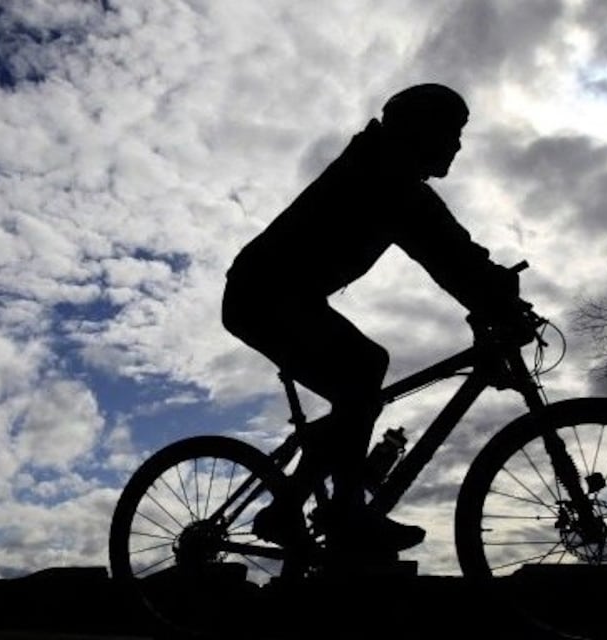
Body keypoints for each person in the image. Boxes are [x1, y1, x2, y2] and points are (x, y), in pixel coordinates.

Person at [221, 84, 520, 560]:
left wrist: (490, 296)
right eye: (453, 132)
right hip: (261, 294)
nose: (458, 145)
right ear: (421, 129)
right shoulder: (384, 173)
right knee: (363, 368)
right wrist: (495, 298)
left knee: (356, 398)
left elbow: (451, 249)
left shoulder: (391, 173)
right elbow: (446, 252)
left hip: (279, 293)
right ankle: (344, 515)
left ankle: (302, 509)